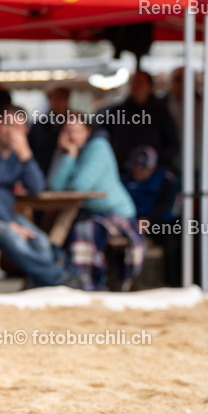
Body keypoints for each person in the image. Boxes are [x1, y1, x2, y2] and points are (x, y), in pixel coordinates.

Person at [0, 105, 78, 289]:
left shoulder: (19, 154)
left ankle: (42, 288)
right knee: (12, 236)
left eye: (18, 127)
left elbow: (37, 188)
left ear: (25, 131)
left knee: (40, 240)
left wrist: (26, 156)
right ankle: (60, 280)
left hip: (4, 216)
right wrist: (10, 224)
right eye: (7, 124)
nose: (11, 131)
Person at [48, 117, 144, 291]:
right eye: (67, 131)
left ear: (88, 131)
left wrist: (70, 155)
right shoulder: (68, 151)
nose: (72, 136)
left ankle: (88, 284)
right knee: (59, 227)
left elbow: (79, 187)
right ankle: (69, 280)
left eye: (77, 131)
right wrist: (68, 155)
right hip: (87, 212)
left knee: (84, 229)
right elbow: (54, 186)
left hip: (116, 213)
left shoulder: (99, 147)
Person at [122, 146, 180, 287]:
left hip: (159, 222)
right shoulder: (125, 179)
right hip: (130, 221)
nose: (138, 172)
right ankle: (124, 282)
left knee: (173, 236)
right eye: (135, 167)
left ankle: (171, 283)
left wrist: (149, 220)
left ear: (152, 168)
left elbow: (167, 205)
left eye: (142, 169)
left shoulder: (165, 178)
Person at [101, 70, 178, 171]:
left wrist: (154, 165)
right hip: (122, 172)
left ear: (150, 87)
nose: (136, 86)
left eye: (140, 82)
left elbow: (172, 144)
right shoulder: (117, 112)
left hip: (154, 175)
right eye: (134, 82)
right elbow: (103, 135)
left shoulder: (161, 112)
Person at [28, 86, 71, 176]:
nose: (57, 102)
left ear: (67, 100)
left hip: (66, 175)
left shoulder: (74, 124)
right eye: (53, 98)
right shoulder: (38, 126)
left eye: (60, 98)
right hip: (41, 174)